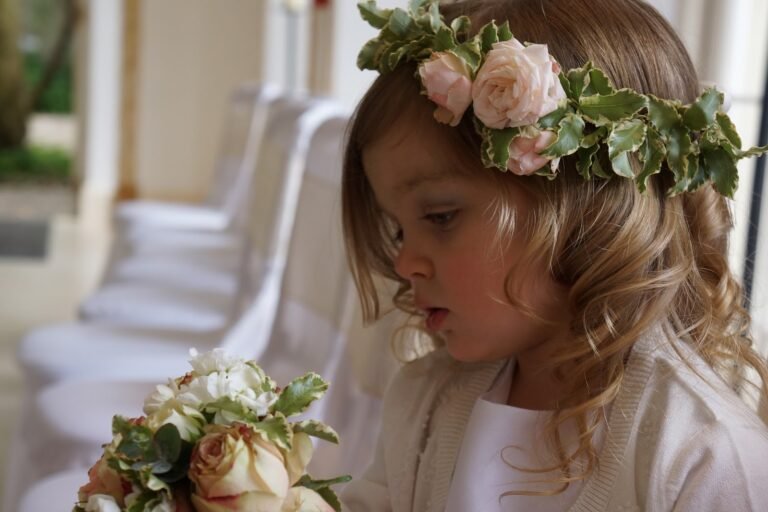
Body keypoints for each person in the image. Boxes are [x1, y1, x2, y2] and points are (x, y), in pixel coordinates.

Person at [338, 0, 768, 510]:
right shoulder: (425, 400)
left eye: (439, 217)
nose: (405, 264)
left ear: (584, 207)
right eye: (398, 229)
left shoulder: (700, 455)